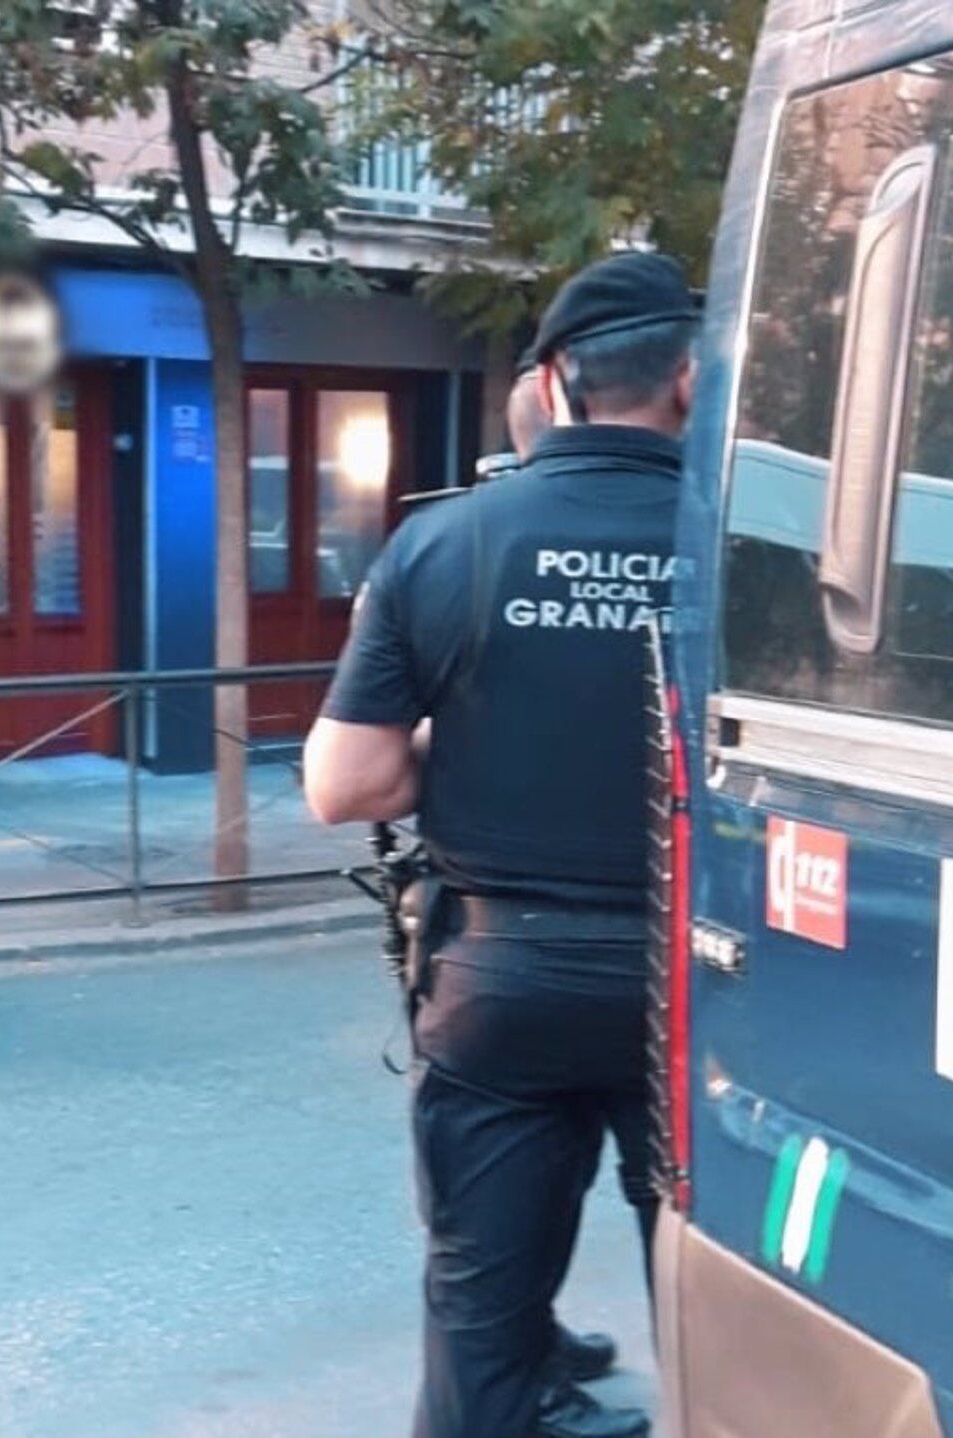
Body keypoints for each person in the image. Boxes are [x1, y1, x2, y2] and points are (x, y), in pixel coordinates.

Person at [304, 253, 700, 1438]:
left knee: (481, 1310)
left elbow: (346, 785)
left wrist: (460, 743)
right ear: (691, 377)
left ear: (555, 383)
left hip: (502, 982)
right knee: (718, 1314)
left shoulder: (450, 543)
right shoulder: (753, 545)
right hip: (698, 987)